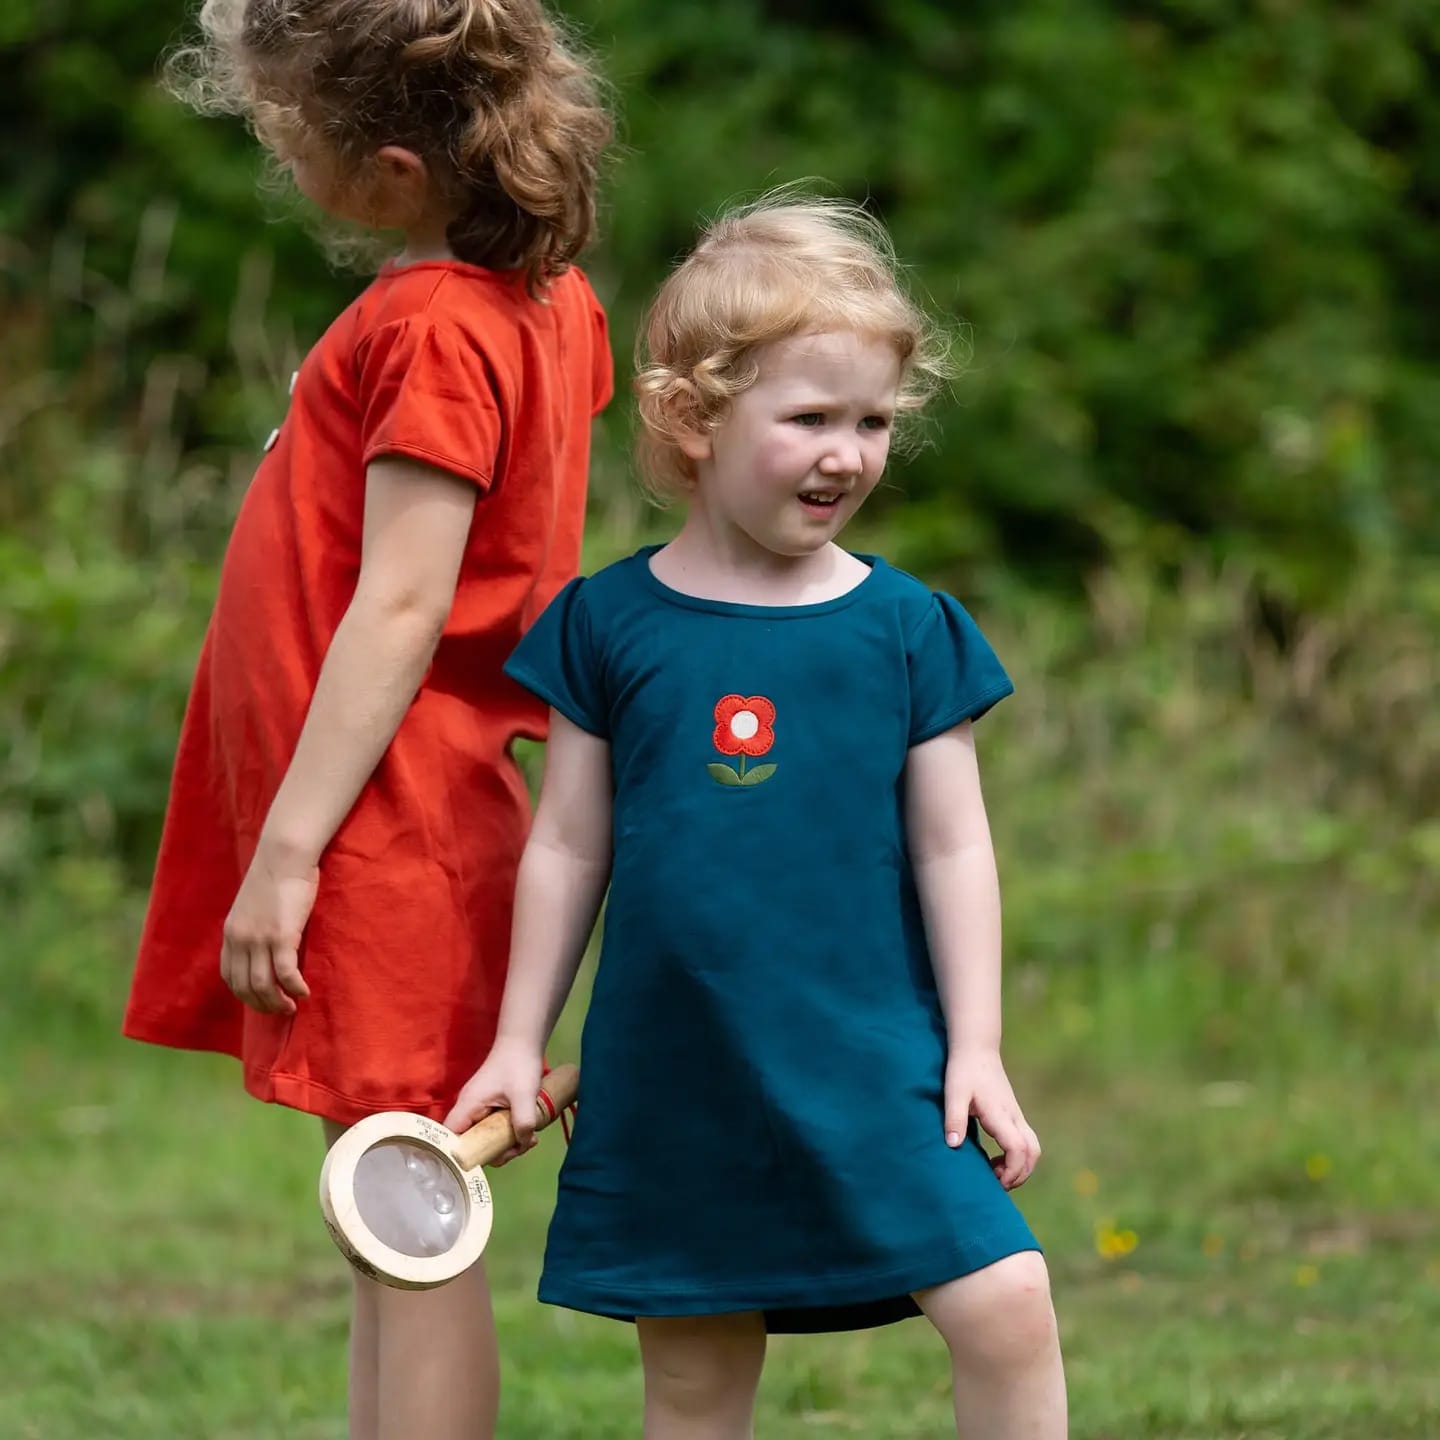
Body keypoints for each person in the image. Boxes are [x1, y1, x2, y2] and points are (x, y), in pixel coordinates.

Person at [446, 193, 1068, 1439]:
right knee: (693, 1375)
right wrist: (521, 1040)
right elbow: (568, 843)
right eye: (810, 419)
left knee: (1008, 1302)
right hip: (679, 1065)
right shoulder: (605, 626)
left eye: (874, 420)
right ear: (692, 419)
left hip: (877, 1058)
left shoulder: (908, 631)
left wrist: (979, 1047)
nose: (850, 453)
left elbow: (956, 847)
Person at [122, 2, 613, 1436]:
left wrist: (288, 850)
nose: (280, 161)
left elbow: (405, 609)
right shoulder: (534, 297)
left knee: (416, 1218)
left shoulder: (435, 328)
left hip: (390, 827)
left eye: (288, 139)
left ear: (396, 170)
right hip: (405, 814)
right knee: (382, 1210)